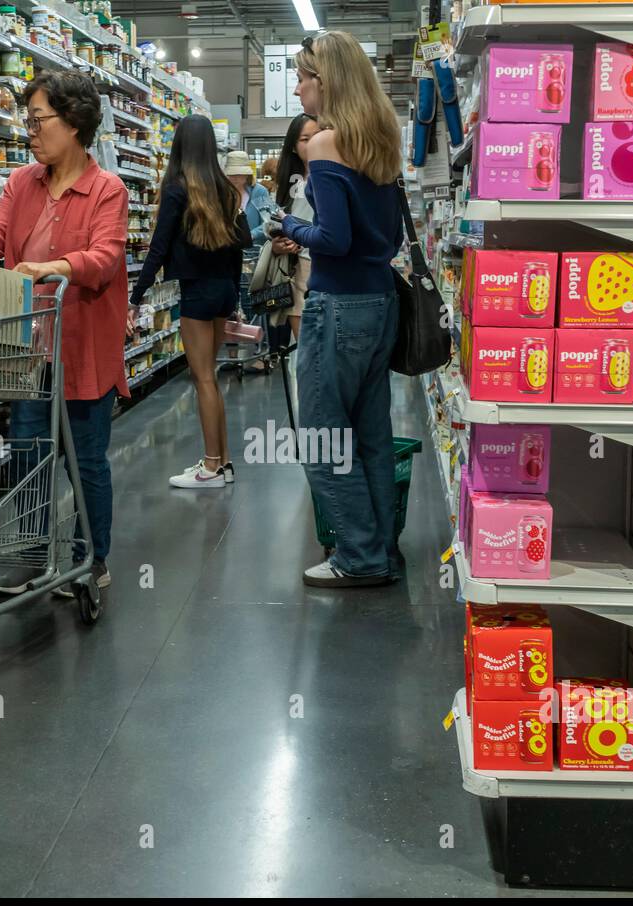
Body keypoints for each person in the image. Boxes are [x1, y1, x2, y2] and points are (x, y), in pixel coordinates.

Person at [0, 71, 128, 595]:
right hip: (27, 348)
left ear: (73, 122)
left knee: (85, 461)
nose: (29, 130)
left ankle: (91, 558)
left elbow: (106, 257)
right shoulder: (21, 183)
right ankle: (31, 558)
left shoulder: (107, 190)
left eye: (38, 119)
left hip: (83, 349)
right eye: (26, 121)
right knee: (28, 454)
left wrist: (53, 267)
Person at [278, 32, 405, 589]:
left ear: (327, 82)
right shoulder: (381, 139)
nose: (299, 86)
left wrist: (287, 226)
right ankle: (382, 549)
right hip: (381, 302)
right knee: (371, 436)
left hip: (338, 306)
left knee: (323, 438)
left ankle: (358, 555)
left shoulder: (325, 145)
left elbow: (331, 237)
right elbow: (389, 233)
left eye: (304, 76)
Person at [129, 115, 251, 490]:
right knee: (210, 379)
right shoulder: (226, 191)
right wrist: (235, 298)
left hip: (197, 293)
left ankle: (212, 467)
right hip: (223, 290)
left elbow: (159, 248)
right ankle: (224, 461)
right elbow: (238, 250)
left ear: (180, 145)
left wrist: (136, 296)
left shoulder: (178, 188)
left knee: (203, 380)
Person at [270, 112, 318, 348]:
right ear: (293, 146)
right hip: (298, 269)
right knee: (307, 352)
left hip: (326, 267)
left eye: (317, 136)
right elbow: (279, 222)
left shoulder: (332, 175)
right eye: (305, 139)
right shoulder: (291, 182)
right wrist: (278, 244)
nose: (312, 143)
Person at [225, 150, 277, 246]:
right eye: (232, 174)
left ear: (247, 174)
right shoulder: (222, 192)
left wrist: (251, 235)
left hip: (254, 250)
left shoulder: (259, 191)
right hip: (227, 249)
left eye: (239, 174)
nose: (235, 177)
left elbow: (269, 221)